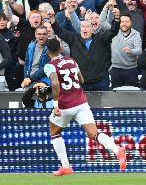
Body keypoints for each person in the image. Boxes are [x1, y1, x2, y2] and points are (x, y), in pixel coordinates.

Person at [44, 38, 127, 176]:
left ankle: (65, 166)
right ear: (61, 49)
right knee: (94, 133)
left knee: (54, 132)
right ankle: (117, 149)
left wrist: (55, 105)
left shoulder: (50, 65)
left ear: (48, 52)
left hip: (65, 105)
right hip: (81, 102)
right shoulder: (71, 60)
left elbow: (55, 84)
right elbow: (81, 79)